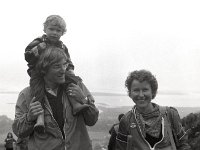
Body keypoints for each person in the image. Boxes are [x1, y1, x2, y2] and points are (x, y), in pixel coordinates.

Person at [12, 46, 99, 150]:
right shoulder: (27, 94)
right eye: (57, 66)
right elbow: (18, 131)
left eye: (64, 65)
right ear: (44, 69)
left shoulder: (77, 86)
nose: (63, 70)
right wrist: (29, 117)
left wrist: (83, 100)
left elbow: (92, 120)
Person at [116, 70, 191, 150]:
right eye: (136, 90)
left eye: (145, 90)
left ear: (153, 92)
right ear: (130, 93)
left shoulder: (170, 114)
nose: (141, 95)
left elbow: (183, 144)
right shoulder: (126, 120)